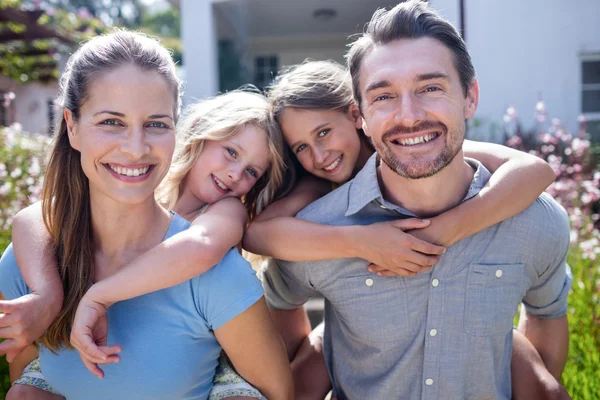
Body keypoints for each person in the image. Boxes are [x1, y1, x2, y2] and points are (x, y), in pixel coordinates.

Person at [256, 2, 572, 399]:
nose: (409, 116)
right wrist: (317, 356)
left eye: (430, 88)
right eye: (384, 96)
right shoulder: (315, 223)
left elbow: (547, 315)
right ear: (362, 116)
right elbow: (275, 285)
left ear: (469, 97)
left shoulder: (534, 221)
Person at [0, 30, 292, 400]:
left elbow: (279, 391)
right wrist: (47, 297)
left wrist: (98, 295)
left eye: (156, 124)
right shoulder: (30, 261)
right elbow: (25, 373)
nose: (135, 149)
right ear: (72, 127)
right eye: (111, 122)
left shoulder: (215, 263)